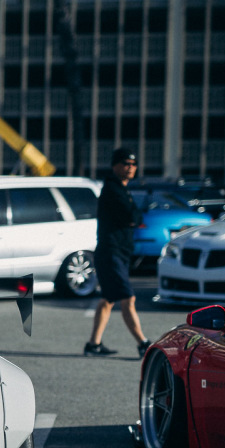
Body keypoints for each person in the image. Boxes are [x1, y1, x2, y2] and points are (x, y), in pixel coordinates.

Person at [85, 148, 150, 358]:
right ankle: (143, 343)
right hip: (110, 253)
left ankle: (93, 345)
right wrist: (135, 216)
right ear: (115, 166)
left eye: (133, 164)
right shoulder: (113, 189)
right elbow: (133, 217)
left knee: (108, 299)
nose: (130, 167)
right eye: (125, 164)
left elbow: (135, 217)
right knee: (128, 298)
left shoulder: (122, 189)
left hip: (117, 253)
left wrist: (135, 216)